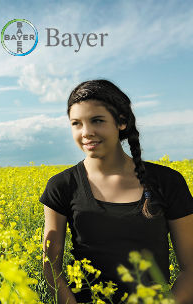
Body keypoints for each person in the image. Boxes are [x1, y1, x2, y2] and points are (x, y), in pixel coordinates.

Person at [41, 79, 193, 303]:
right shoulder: (61, 186)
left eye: (97, 120)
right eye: (76, 123)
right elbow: (50, 266)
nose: (86, 132)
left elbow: (190, 268)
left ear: (121, 122)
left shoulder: (168, 182)